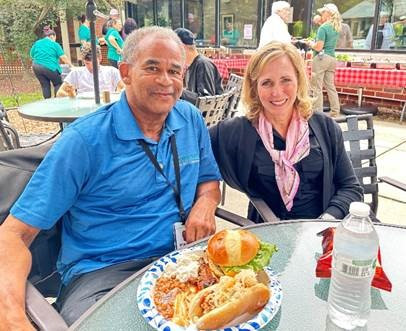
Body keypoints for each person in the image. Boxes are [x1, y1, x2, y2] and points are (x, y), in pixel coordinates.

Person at [0, 26, 221, 327]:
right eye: (152, 67)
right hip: (104, 276)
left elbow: (208, 180)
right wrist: (11, 317)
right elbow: (13, 235)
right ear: (126, 72)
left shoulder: (190, 118)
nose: (166, 81)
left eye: (175, 71)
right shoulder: (83, 141)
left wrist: (206, 203)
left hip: (181, 262)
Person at [209, 42, 362, 223]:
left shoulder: (325, 127)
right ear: (254, 87)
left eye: (286, 80)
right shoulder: (237, 132)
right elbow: (192, 149)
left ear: (299, 79)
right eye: (266, 83)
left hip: (321, 233)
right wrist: (207, 199)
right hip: (268, 235)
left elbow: (351, 188)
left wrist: (325, 222)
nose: (277, 92)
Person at [175, 28, 223, 104]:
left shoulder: (203, 64)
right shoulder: (193, 64)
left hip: (205, 114)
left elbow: (206, 101)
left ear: (182, 47)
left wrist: (178, 91)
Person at [309, 3, 341, 115]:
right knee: (330, 86)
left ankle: (318, 113)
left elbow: (319, 47)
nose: (321, 14)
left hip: (321, 58)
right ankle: (335, 111)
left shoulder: (323, 28)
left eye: (323, 12)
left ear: (328, 13)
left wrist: (310, 43)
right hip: (332, 58)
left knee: (316, 87)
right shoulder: (335, 27)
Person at [56, 45, 124, 97]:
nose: (91, 67)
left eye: (94, 63)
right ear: (83, 61)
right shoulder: (76, 73)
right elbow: (59, 93)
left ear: (100, 58)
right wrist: (73, 97)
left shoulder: (111, 71)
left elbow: (123, 88)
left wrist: (116, 96)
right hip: (84, 108)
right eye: (87, 63)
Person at [30, 26, 72, 99]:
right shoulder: (54, 44)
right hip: (50, 67)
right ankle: (57, 102)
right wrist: (71, 66)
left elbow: (32, 54)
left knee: (45, 85)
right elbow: (63, 57)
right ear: (52, 36)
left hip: (36, 66)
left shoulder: (37, 43)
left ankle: (47, 103)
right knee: (57, 83)